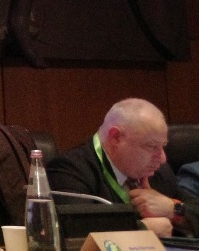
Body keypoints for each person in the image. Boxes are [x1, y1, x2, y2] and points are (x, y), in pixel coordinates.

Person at [48, 98, 196, 238]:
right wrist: (141, 229)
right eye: (151, 147)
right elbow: (76, 230)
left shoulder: (158, 171)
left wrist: (173, 208)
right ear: (115, 137)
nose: (162, 158)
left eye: (163, 146)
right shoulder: (69, 170)